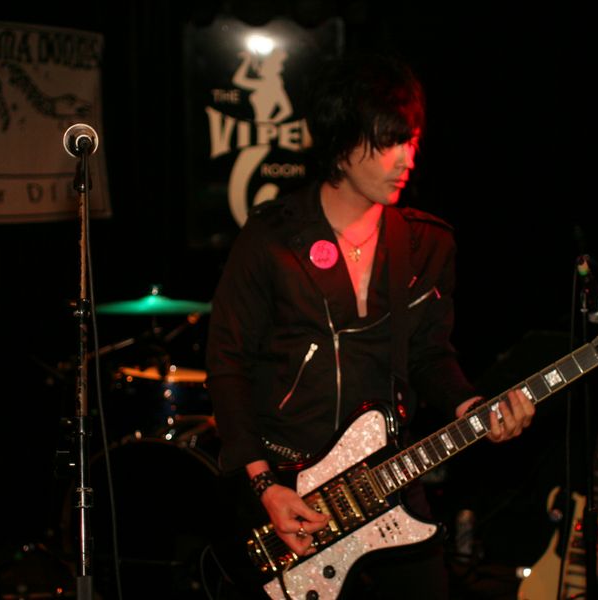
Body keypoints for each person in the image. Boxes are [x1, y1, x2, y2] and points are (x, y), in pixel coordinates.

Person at [206, 54, 534, 598]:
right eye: (388, 142)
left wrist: (471, 405)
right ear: (342, 142)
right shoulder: (270, 238)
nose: (407, 159)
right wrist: (263, 484)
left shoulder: (428, 243)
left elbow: (430, 354)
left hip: (389, 482)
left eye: (412, 141)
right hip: (288, 490)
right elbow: (227, 364)